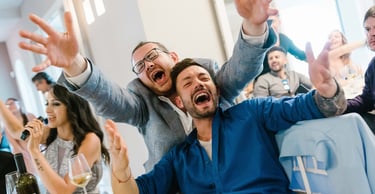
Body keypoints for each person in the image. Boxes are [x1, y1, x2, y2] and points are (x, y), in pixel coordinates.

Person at [18, 0, 278, 172]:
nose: (148, 65)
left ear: (173, 58)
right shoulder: (141, 103)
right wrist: (74, 64)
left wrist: (254, 25)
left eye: (153, 56)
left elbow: (241, 68)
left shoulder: (205, 77)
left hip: (239, 173)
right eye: (140, 66)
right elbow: (109, 99)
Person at [105, 39, 347, 193]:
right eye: (188, 83)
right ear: (179, 101)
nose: (198, 84)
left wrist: (327, 90)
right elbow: (134, 191)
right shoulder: (179, 158)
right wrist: (121, 171)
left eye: (203, 78)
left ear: (216, 91)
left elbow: (305, 107)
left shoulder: (252, 113)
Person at [0, 85, 110, 194]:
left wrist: (34, 151)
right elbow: (16, 131)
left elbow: (64, 191)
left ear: (73, 106)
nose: (47, 110)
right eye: (47, 103)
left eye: (56, 104)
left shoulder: (90, 140)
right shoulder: (50, 133)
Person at [345, 5, 375, 131]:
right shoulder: (373, 66)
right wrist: (339, 106)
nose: (371, 34)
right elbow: (366, 99)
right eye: (367, 29)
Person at [0, 98, 37, 174]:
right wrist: (26, 155)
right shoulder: (7, 127)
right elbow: (15, 146)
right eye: (7, 105)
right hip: (23, 154)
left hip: (37, 147)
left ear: (18, 104)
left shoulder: (30, 117)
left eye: (12, 103)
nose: (10, 106)